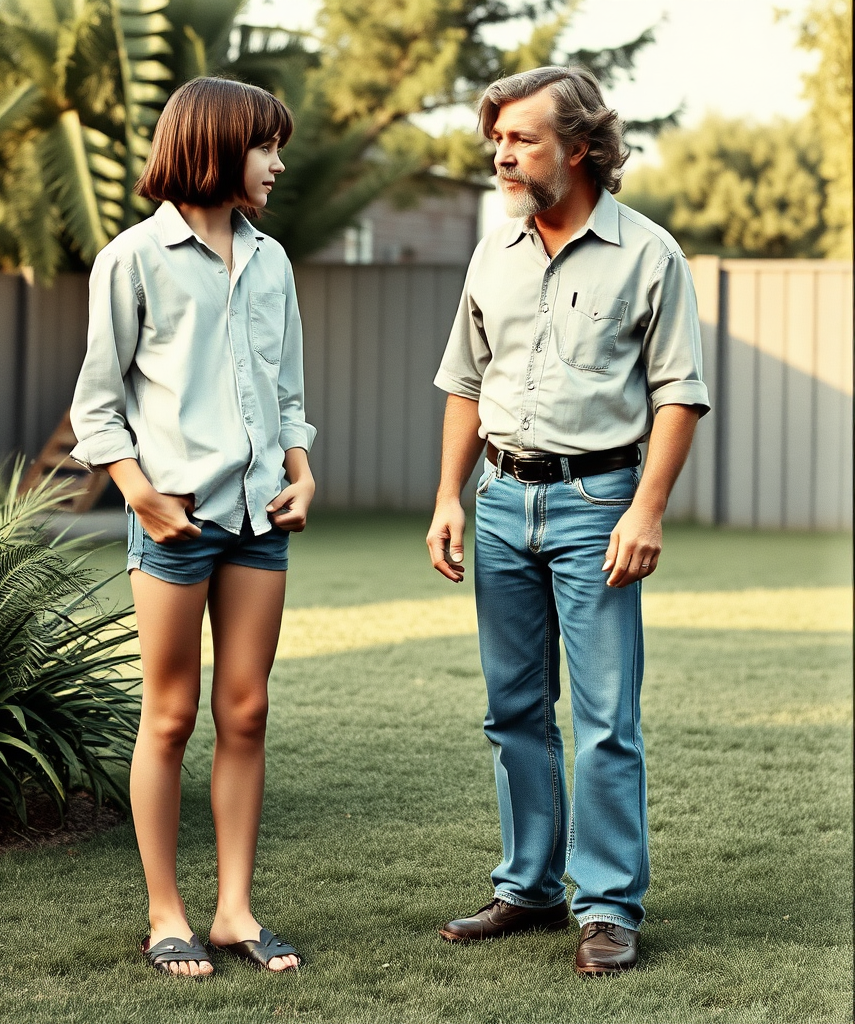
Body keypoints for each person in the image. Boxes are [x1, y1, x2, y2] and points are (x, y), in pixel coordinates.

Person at [426, 66, 709, 976]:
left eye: (522, 141)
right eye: (497, 141)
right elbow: (467, 382)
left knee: (603, 718)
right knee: (512, 709)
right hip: (502, 501)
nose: (502, 157)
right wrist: (448, 498)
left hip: (600, 508)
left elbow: (679, 396)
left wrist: (647, 511)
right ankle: (530, 888)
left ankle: (610, 908)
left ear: (579, 147)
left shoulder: (649, 255)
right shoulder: (490, 252)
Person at [69, 77, 316, 978]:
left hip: (261, 521)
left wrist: (302, 469)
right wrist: (139, 495)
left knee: (245, 710)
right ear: (216, 147)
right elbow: (98, 407)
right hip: (173, 523)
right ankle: (165, 913)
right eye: (266, 147)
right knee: (169, 716)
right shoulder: (132, 260)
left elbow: (286, 391)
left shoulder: (273, 261)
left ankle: (235, 913)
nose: (278, 163)